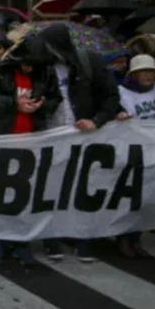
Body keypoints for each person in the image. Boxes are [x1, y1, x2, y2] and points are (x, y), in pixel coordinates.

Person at [0, 36, 62, 266]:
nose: (30, 68)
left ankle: (21, 242)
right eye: (26, 63)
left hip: (31, 140)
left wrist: (42, 104)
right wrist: (13, 103)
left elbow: (56, 98)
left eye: (34, 65)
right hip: (1, 138)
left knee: (24, 194)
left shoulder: (46, 72)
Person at [39, 23, 120, 262]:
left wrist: (97, 120)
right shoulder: (42, 66)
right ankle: (52, 239)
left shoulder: (89, 63)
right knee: (50, 189)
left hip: (83, 138)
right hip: (51, 136)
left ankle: (83, 238)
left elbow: (111, 95)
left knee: (83, 189)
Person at [116, 54, 155, 257]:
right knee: (130, 197)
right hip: (133, 152)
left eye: (152, 72)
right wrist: (118, 115)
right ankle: (124, 238)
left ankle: (136, 237)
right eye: (145, 72)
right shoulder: (122, 93)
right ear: (134, 74)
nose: (149, 76)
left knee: (148, 196)